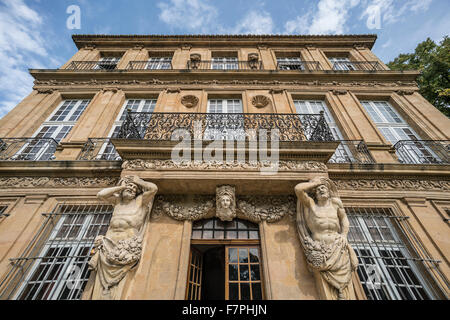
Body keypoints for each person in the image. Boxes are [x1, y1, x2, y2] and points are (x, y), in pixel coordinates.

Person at [88, 175, 158, 300]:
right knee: (101, 285)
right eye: (129, 187)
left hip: (126, 248)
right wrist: (122, 186)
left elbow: (153, 188)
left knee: (119, 285)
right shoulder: (117, 202)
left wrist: (138, 181)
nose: (131, 189)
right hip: (109, 243)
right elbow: (100, 194)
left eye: (134, 188)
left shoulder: (140, 201)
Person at [295, 177, 358, 300]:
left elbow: (344, 219)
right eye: (318, 190)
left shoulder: (335, 203)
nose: (321, 190)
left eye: (323, 188)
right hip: (321, 248)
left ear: (329, 192)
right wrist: (317, 182)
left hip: (338, 245)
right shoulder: (311, 205)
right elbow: (298, 189)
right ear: (315, 194)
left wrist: (344, 235)